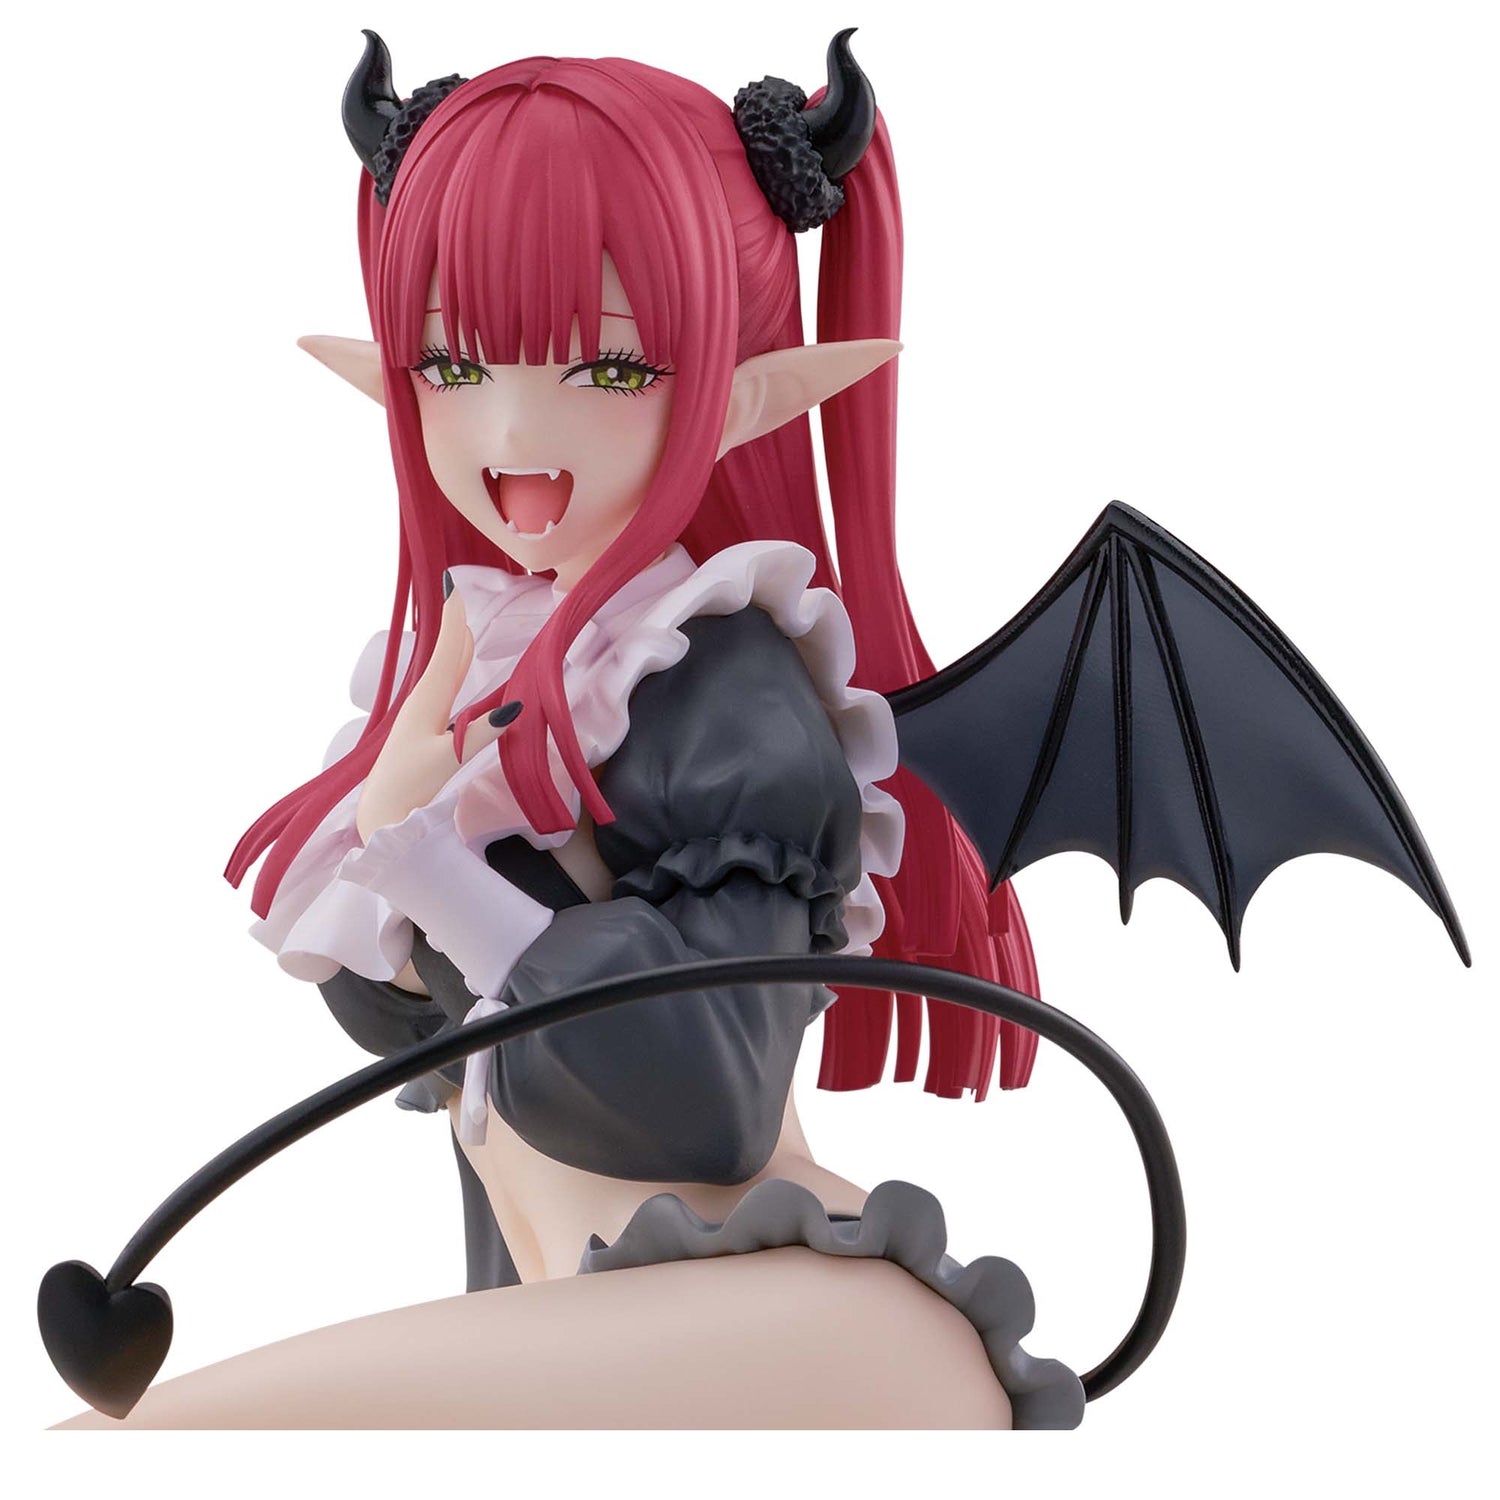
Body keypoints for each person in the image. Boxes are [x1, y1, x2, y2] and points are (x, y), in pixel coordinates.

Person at [56, 33, 1082, 1428]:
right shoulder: (493, 658)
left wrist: (430, 866)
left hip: (775, 1325)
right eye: (452, 363)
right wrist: (405, 820)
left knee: (137, 1442)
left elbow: (703, 1089)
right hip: (593, 1316)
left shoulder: (725, 693)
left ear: (738, 385)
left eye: (606, 371)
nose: (511, 436)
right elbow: (412, 1016)